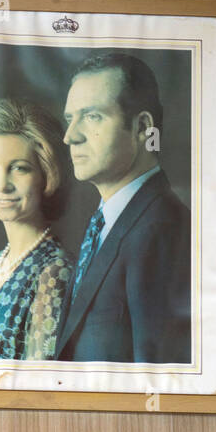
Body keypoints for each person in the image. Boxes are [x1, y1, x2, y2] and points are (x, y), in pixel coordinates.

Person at [55, 52, 191, 364]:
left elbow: (157, 377)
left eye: (92, 117)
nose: (70, 136)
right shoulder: (111, 221)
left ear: (143, 127)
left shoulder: (163, 228)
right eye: (70, 118)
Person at [0, 100, 73, 362]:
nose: (2, 185)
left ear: (46, 173)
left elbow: (38, 379)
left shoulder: (55, 271)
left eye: (19, 168)